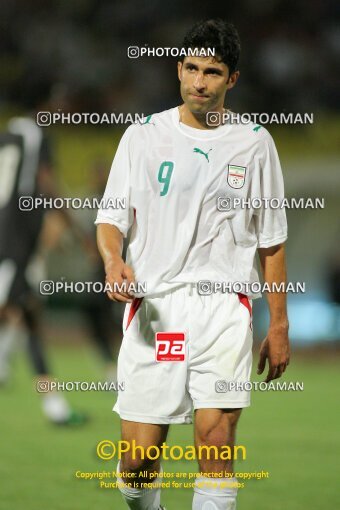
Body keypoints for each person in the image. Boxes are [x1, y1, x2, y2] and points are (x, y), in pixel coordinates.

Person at [96, 19, 290, 510]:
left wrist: (279, 323)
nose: (199, 81)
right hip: (157, 309)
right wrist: (113, 258)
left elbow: (272, 243)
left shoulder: (255, 142)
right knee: (137, 457)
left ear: (233, 80)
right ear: (178, 69)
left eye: (213, 72)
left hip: (225, 310)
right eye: (191, 68)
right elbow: (111, 218)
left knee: (216, 443)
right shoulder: (143, 136)